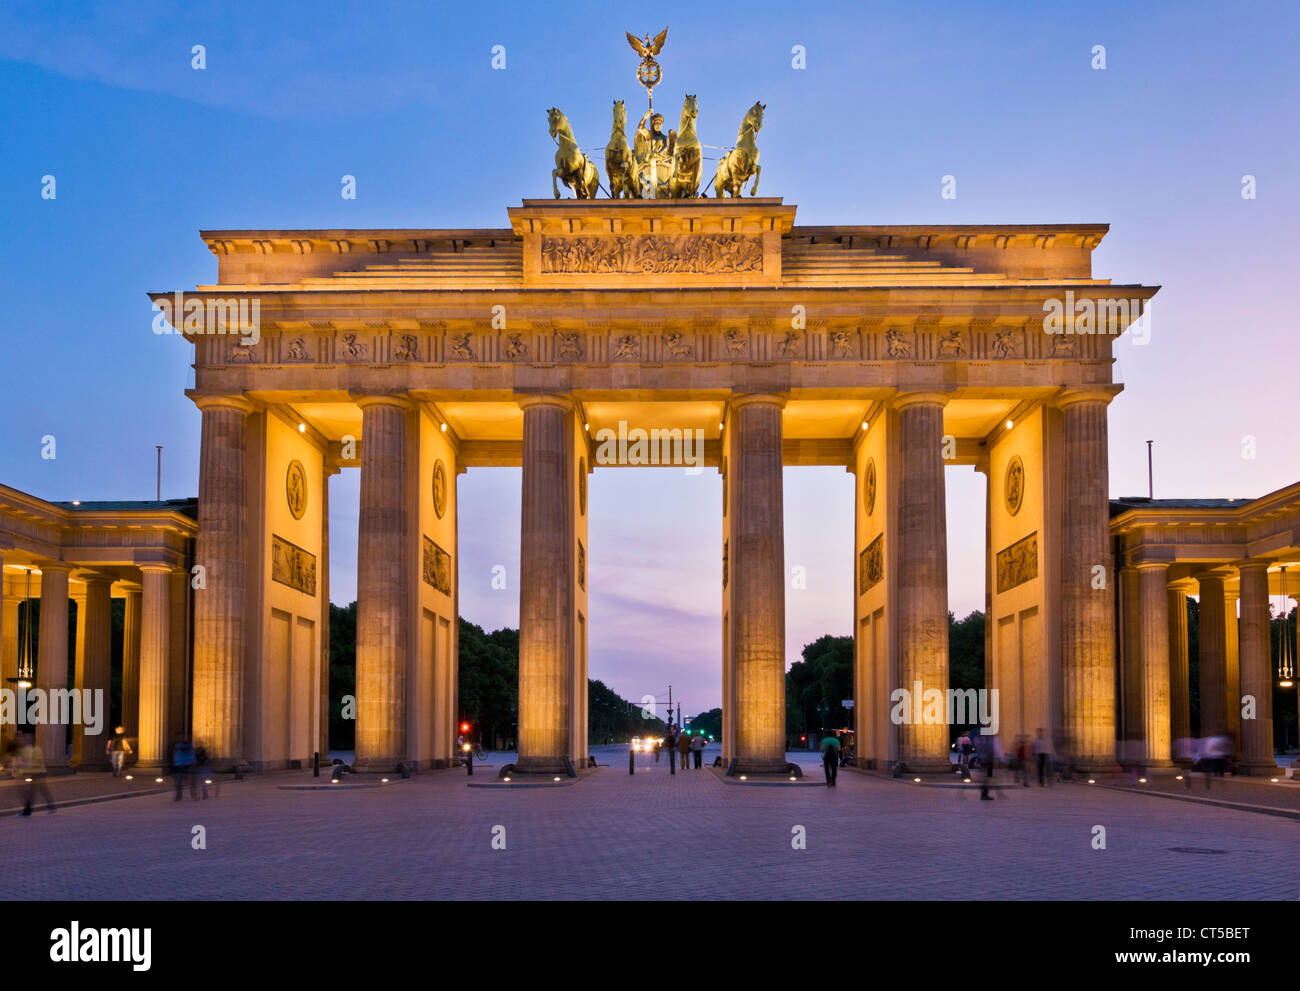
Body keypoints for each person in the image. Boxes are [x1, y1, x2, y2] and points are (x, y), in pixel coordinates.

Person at [19, 734, 55, 815]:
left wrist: (28, 765)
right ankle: (51, 806)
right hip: (32, 774)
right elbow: (23, 761)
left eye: (27, 739)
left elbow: (38, 762)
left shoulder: (36, 749)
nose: (25, 741)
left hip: (39, 774)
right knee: (38, 791)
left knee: (37, 791)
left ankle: (28, 810)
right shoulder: (25, 750)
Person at [172, 736, 196, 800]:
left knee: (179, 783)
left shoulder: (177, 747)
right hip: (185, 766)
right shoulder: (190, 748)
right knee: (189, 782)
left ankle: (179, 795)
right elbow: (192, 757)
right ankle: (193, 794)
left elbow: (175, 757)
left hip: (180, 766)